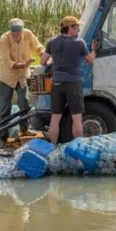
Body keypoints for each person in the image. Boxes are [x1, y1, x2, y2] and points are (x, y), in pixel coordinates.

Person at [41, 15, 95, 144]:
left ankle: (52, 147)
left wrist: (55, 63)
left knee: (55, 118)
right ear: (70, 28)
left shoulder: (52, 42)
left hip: (57, 83)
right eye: (77, 27)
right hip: (73, 84)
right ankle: (78, 147)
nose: (78, 30)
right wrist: (94, 50)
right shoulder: (79, 43)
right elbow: (90, 60)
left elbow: (43, 62)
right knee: (76, 118)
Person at [0, 18, 45, 143]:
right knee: (4, 108)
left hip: (23, 76)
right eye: (14, 34)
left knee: (24, 103)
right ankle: (3, 137)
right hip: (7, 77)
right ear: (10, 32)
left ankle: (24, 129)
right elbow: (7, 62)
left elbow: (39, 47)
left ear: (22, 31)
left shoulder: (28, 34)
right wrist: (23, 64)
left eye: (19, 33)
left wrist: (45, 57)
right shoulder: (5, 39)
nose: (17, 36)